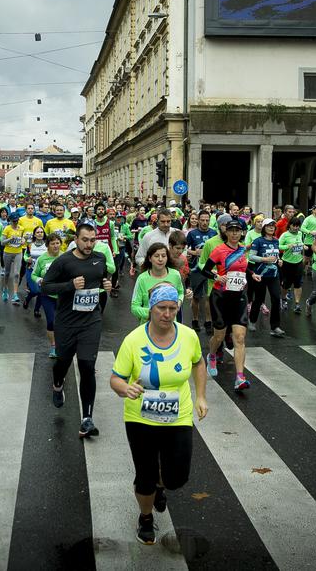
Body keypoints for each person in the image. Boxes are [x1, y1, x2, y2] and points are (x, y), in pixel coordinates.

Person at [111, 284, 208, 545]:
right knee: (145, 476)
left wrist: (200, 396)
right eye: (161, 308)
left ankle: (161, 487)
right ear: (151, 309)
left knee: (177, 477)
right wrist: (125, 388)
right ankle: (145, 517)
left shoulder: (188, 336)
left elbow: (199, 363)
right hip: (140, 417)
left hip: (178, 415)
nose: (167, 314)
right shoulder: (133, 340)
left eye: (172, 308)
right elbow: (115, 379)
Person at [41, 222, 113, 438]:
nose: (89, 244)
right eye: (85, 240)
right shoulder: (63, 261)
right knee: (62, 362)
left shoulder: (99, 258)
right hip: (67, 322)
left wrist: (106, 285)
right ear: (76, 240)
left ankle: (87, 418)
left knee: (87, 365)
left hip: (91, 321)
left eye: (93, 240)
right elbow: (45, 287)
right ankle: (57, 383)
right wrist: (69, 285)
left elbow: (99, 280)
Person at [201, 218, 252, 390]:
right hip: (220, 297)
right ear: (226, 233)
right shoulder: (219, 250)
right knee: (219, 336)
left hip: (238, 297)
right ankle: (212, 355)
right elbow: (205, 270)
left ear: (242, 233)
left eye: (238, 231)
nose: (235, 233)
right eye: (231, 231)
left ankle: (240, 377)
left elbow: (244, 268)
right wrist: (216, 276)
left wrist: (253, 275)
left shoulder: (243, 250)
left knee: (239, 337)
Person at [131, 242, 188, 323]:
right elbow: (134, 307)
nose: (160, 259)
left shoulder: (175, 275)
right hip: (148, 326)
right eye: (156, 256)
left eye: (164, 256)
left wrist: (178, 303)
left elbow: (181, 292)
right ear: (150, 258)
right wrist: (153, 313)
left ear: (167, 258)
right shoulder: (142, 279)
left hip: (170, 324)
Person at [247, 218, 285, 337]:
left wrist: (279, 261)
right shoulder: (258, 241)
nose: (271, 228)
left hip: (273, 275)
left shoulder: (276, 241)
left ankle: (275, 326)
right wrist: (264, 259)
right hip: (260, 275)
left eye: (273, 226)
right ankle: (252, 321)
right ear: (264, 228)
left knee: (275, 298)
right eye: (269, 226)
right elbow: (251, 257)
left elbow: (276, 255)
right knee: (258, 299)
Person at [32, 234, 64, 357]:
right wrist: (39, 280)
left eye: (57, 243)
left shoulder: (65, 257)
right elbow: (34, 274)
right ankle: (54, 346)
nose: (56, 246)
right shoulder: (42, 259)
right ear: (47, 246)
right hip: (47, 295)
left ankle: (63, 344)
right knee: (51, 321)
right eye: (53, 243)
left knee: (62, 321)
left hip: (63, 295)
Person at [278, 215, 306, 313]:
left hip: (298, 262)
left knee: (298, 284)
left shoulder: (300, 234)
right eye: (294, 226)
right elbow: (278, 246)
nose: (295, 228)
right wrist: (287, 246)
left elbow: (301, 243)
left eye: (297, 226)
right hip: (287, 262)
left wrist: (303, 248)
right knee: (286, 284)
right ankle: (283, 299)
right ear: (289, 225)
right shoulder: (285, 235)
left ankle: (297, 304)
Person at [0, 211, 26, 304]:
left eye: (17, 220)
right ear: (10, 221)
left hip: (18, 252)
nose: (15, 222)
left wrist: (23, 240)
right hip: (8, 253)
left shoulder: (21, 228)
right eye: (14, 221)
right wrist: (10, 239)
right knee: (7, 273)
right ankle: (5, 288)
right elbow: (2, 242)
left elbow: (23, 238)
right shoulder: (7, 229)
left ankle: (15, 294)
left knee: (16, 274)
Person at [23, 226, 49, 312]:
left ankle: (36, 310)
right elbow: (25, 255)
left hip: (43, 272)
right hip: (31, 270)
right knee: (35, 291)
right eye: (38, 232)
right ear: (34, 234)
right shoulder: (30, 245)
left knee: (41, 292)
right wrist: (27, 259)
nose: (40, 234)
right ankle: (28, 298)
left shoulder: (47, 245)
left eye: (41, 232)